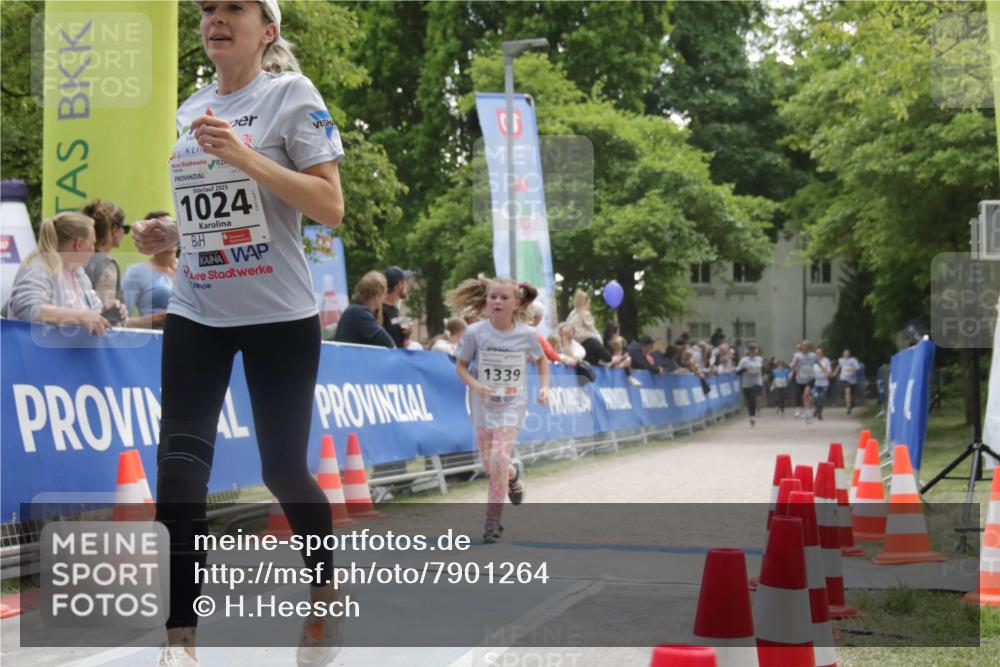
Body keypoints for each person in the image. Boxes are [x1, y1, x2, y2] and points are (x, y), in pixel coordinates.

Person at [130, 3, 346, 665]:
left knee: (282, 467)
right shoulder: (189, 108)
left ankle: (324, 582)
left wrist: (247, 157)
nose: (216, 18)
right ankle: (180, 639)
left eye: (234, 8)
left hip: (279, 311)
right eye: (207, 9)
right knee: (178, 466)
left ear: (268, 29)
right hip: (199, 307)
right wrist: (170, 233)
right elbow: (212, 206)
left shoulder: (292, 96)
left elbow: (329, 207)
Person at [448, 277, 549, 543]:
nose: (497, 302)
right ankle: (512, 477)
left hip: (512, 404)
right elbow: (460, 366)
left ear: (516, 303)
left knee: (498, 457)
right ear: (486, 300)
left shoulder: (527, 334)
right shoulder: (475, 332)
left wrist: (544, 388)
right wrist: (476, 385)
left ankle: (492, 522)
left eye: (504, 298)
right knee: (492, 464)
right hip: (482, 403)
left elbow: (542, 360)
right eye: (493, 297)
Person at [3, 211, 125, 335]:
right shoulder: (39, 266)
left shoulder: (79, 273)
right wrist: (80, 316)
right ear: (79, 244)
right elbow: (28, 308)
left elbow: (90, 313)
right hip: (36, 352)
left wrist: (106, 311)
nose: (94, 250)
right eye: (93, 243)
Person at [122, 210, 177, 329]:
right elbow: (122, 321)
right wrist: (159, 318)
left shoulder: (188, 268)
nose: (169, 234)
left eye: (173, 228)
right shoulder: (136, 273)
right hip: (155, 342)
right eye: (162, 230)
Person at [81, 198, 128, 305]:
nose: (124, 233)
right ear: (115, 230)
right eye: (125, 228)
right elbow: (108, 312)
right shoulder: (107, 265)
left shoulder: (76, 259)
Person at [333, 271, 394, 348]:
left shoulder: (353, 310)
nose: (384, 299)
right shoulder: (360, 313)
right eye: (383, 295)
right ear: (377, 295)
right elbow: (388, 344)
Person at [566, 289, 612, 366]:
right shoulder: (585, 314)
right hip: (586, 340)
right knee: (606, 356)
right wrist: (598, 338)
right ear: (586, 302)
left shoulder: (572, 314)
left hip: (574, 343)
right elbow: (592, 329)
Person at [381, 265, 413, 348]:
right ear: (399, 285)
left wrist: (407, 335)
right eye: (405, 281)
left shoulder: (395, 310)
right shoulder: (380, 310)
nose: (407, 285)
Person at [736, 343, 764, 427]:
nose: (752, 352)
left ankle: (754, 414)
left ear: (756, 351)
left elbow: (762, 368)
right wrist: (745, 369)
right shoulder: (744, 360)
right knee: (750, 400)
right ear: (748, 351)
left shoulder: (759, 359)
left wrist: (764, 374)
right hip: (746, 383)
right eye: (750, 350)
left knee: (753, 396)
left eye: (754, 350)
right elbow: (737, 372)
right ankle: (751, 416)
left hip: (757, 382)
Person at [790, 340, 816, 421]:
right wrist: (796, 364)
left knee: (806, 394)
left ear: (809, 347)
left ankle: (808, 413)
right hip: (800, 379)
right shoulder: (797, 355)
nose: (805, 347)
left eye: (807, 346)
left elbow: (819, 363)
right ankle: (807, 412)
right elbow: (791, 366)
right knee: (804, 396)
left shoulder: (813, 355)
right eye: (803, 346)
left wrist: (825, 371)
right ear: (801, 347)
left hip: (810, 378)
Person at [833, 348, 860, 414]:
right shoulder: (840, 360)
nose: (846, 354)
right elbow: (838, 367)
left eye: (847, 353)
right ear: (843, 354)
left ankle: (851, 403)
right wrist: (834, 373)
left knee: (851, 395)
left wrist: (852, 370)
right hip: (844, 379)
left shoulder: (853, 360)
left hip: (853, 380)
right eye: (845, 353)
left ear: (849, 354)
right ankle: (848, 407)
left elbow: (858, 368)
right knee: (847, 390)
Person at [812, 346, 833, 421]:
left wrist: (827, 373)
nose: (818, 354)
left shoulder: (826, 360)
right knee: (815, 397)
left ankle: (819, 412)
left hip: (824, 383)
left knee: (822, 398)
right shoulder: (813, 361)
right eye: (817, 352)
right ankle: (817, 409)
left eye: (820, 352)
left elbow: (829, 371)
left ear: (822, 353)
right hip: (816, 383)